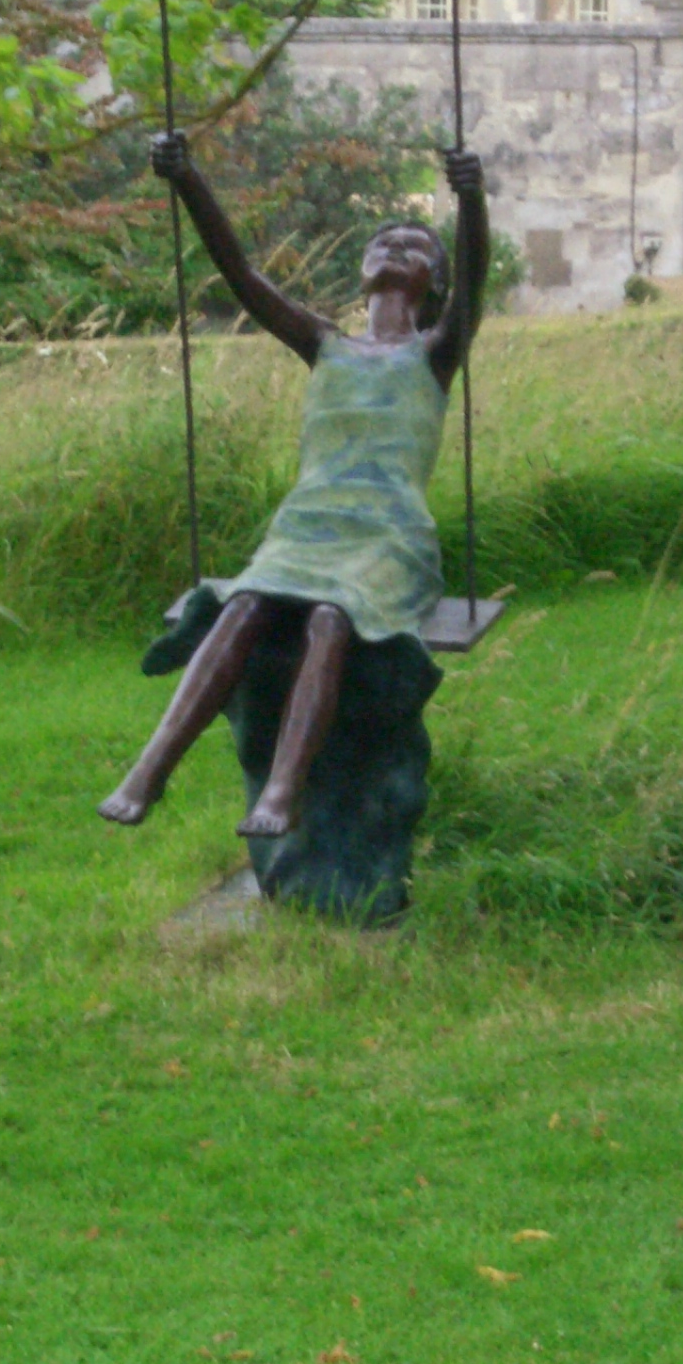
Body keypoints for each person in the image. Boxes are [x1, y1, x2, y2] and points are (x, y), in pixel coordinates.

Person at [99, 129, 490, 838]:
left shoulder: (435, 354)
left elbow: (476, 283)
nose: (399, 246)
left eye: (418, 245)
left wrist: (471, 202)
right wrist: (189, 181)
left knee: (330, 616)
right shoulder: (324, 344)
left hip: (388, 536)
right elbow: (243, 276)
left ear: (432, 283)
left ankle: (283, 791)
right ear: (361, 270)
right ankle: (150, 768)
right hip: (307, 525)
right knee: (244, 605)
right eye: (385, 239)